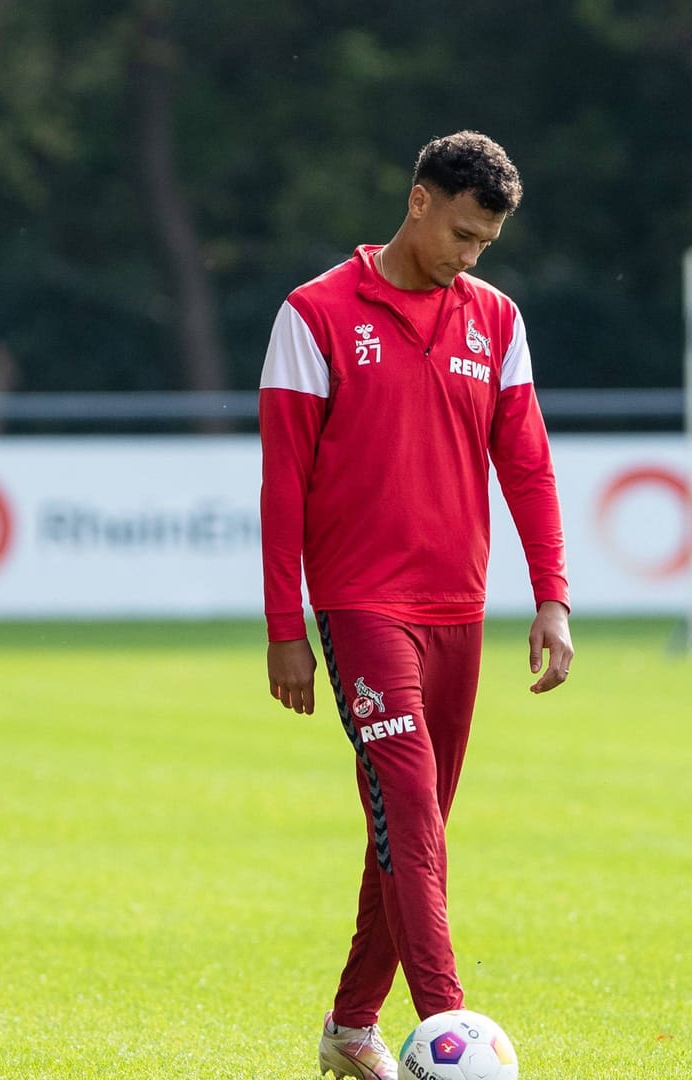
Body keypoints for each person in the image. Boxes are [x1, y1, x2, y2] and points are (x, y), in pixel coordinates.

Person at [258, 131, 574, 1080]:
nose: (472, 256)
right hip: (359, 608)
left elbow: (527, 464)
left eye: (487, 244)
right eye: (465, 234)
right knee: (408, 808)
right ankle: (452, 1031)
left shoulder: (497, 319)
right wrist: (286, 630)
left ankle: (353, 1028)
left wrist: (552, 597)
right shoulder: (313, 313)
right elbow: (283, 489)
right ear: (419, 201)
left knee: (411, 827)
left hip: (457, 610)